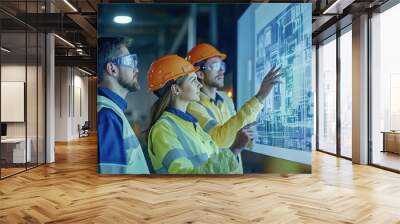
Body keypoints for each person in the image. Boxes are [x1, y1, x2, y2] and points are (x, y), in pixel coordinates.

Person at [146, 55, 248, 174]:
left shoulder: (191, 124)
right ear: (176, 89)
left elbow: (212, 158)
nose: (199, 84)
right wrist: (235, 149)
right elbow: (186, 177)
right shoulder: (163, 129)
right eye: (193, 80)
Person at [186, 43, 281, 160]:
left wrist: (250, 135)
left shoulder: (225, 99)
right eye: (215, 66)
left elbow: (238, 130)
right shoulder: (192, 106)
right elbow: (219, 140)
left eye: (222, 66)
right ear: (200, 73)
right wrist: (260, 97)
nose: (221, 71)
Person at [97, 37, 149, 174]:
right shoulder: (107, 117)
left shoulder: (113, 112)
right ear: (112, 69)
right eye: (130, 62)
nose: (136, 69)